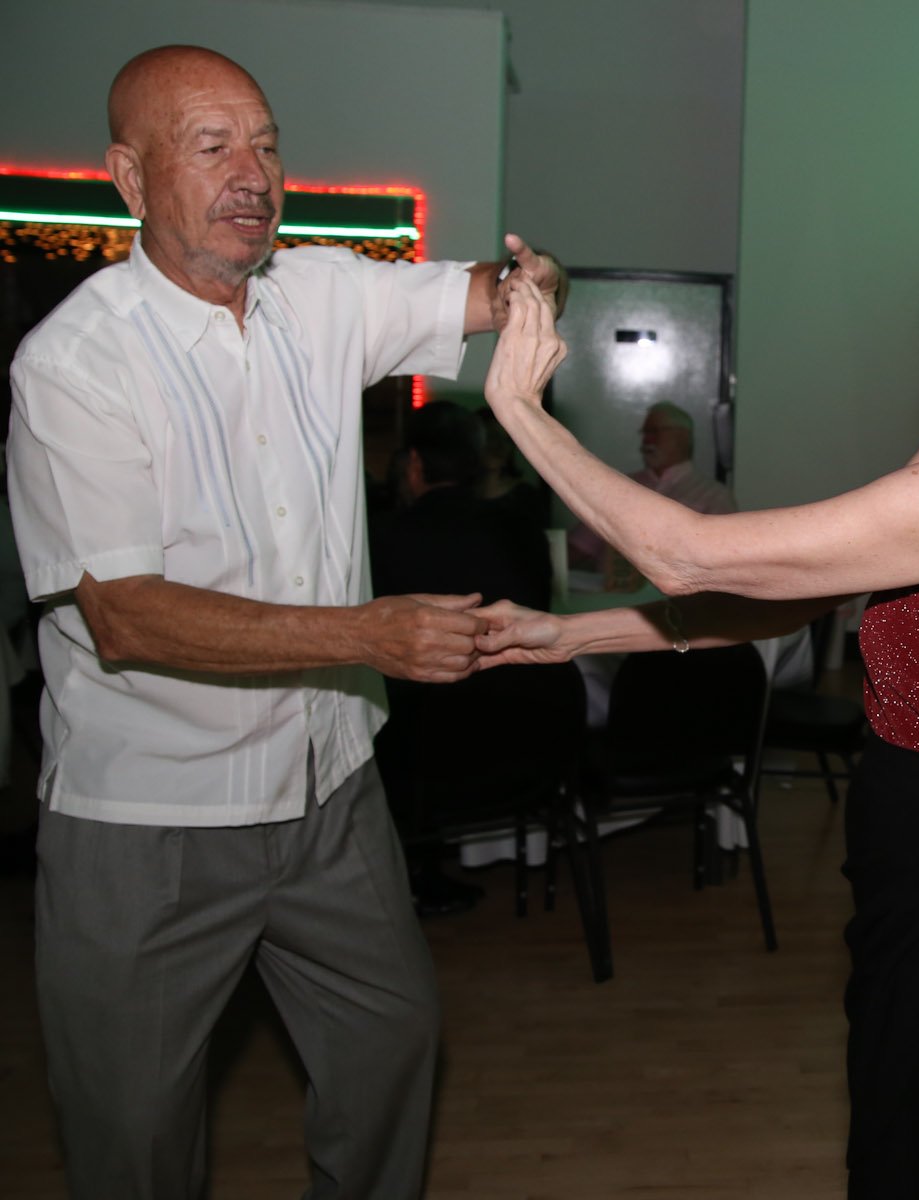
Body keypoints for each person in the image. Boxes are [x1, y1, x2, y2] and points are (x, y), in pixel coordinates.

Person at [475, 137, 919, 1198]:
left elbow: (690, 553)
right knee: (902, 1150)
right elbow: (787, 594)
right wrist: (574, 636)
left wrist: (522, 409)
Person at [5, 45, 565, 1199]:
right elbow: (126, 616)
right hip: (151, 820)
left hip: (327, 789)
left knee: (391, 1044)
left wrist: (533, 287)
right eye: (212, 147)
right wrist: (367, 636)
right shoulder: (74, 366)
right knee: (131, 1136)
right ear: (129, 176)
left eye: (265, 144)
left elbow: (484, 293)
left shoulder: (320, 295)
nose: (252, 174)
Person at [371, 401, 556, 915]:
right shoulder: (521, 529)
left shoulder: (382, 539)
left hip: (422, 755)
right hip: (528, 733)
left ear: (413, 464)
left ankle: (408, 874)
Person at [567, 399, 736, 587]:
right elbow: (577, 547)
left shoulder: (714, 496)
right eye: (645, 433)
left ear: (682, 437)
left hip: (682, 599)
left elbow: (725, 565)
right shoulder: (619, 486)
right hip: (610, 597)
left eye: (655, 432)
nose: (647, 441)